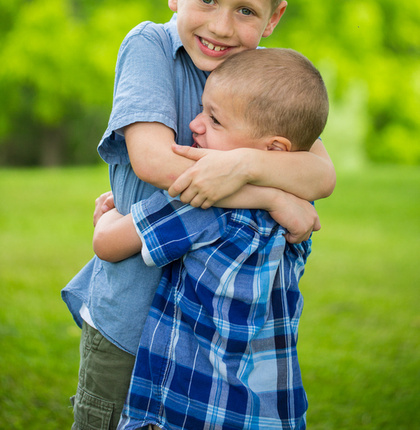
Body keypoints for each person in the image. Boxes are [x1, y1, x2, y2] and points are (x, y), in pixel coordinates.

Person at [62, 0, 336, 429]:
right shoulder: (150, 46)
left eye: (246, 11)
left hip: (207, 334)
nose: (221, 26)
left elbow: (321, 176)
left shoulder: (258, 76)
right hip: (132, 317)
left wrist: (244, 166)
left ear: (273, 18)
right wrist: (270, 194)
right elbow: (154, 160)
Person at [93, 47, 329, 430]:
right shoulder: (299, 205)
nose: (195, 124)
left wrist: (115, 212)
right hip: (271, 408)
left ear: (273, 149)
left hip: (193, 405)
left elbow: (107, 244)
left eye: (215, 120)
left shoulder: (202, 201)